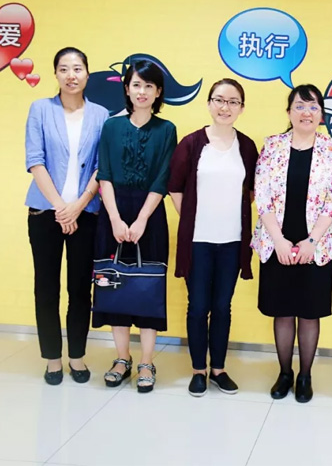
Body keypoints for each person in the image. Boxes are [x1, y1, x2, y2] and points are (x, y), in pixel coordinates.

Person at [252, 84, 332, 403]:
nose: (307, 112)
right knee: (281, 312)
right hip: (276, 241)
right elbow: (262, 195)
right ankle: (284, 373)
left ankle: (305, 375)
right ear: (289, 112)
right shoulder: (272, 146)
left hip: (316, 246)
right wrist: (279, 241)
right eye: (300, 106)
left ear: (322, 114)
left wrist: (311, 241)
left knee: (308, 312)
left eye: (313, 106)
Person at [168, 78, 258, 397]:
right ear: (209, 104)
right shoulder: (192, 144)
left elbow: (251, 191)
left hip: (232, 242)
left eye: (233, 102)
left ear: (241, 108)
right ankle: (198, 370)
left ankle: (218, 368)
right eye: (219, 100)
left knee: (222, 306)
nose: (225, 107)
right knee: (197, 306)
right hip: (198, 242)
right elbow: (175, 188)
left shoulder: (246, 146)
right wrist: (193, 219)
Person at [25, 47, 109, 385]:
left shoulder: (101, 114)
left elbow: (103, 166)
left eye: (77, 68)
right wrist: (62, 207)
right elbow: (35, 160)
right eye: (64, 69)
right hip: (45, 212)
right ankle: (52, 359)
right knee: (46, 288)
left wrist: (79, 204)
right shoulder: (40, 109)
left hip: (85, 213)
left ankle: (77, 356)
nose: (71, 75)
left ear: (87, 73)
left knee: (80, 289)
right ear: (56, 74)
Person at [94, 60, 177, 393]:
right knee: (114, 284)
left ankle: (146, 362)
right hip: (113, 211)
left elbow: (162, 177)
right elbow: (104, 174)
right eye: (136, 85)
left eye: (149, 86)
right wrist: (115, 218)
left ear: (158, 92)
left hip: (150, 214)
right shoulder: (111, 127)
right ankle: (121, 358)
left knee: (148, 287)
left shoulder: (166, 129)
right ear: (127, 88)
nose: (142, 91)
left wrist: (141, 219)